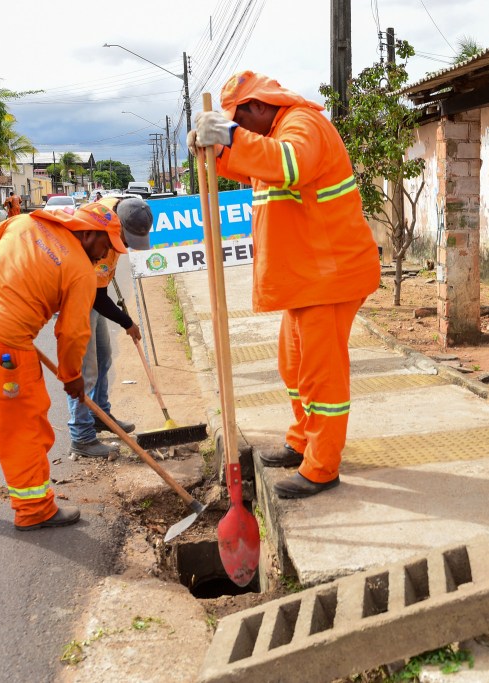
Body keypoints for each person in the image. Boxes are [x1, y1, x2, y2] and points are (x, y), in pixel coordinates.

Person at [189, 71, 380, 498]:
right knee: (293, 368)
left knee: (321, 376)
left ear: (258, 107)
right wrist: (215, 152)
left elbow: (288, 165)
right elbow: (256, 168)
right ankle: (302, 441)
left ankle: (322, 466)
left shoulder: (302, 125)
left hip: (329, 276)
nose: (240, 126)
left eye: (240, 118)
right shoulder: (274, 134)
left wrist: (230, 137)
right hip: (307, 278)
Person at [0, 202, 128, 531]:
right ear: (87, 233)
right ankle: (35, 508)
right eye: (106, 245)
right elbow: (71, 334)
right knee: (23, 426)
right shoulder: (81, 271)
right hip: (5, 347)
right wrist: (72, 378)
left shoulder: (25, 223)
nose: (105, 255)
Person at [66, 195, 153, 458]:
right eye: (126, 240)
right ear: (116, 229)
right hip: (78, 298)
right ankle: (81, 436)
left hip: (92, 294)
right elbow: (96, 297)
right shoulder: (97, 233)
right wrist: (127, 323)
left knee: (103, 358)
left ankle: (100, 415)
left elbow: (100, 291)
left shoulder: (120, 209)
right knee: (85, 370)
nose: (125, 246)